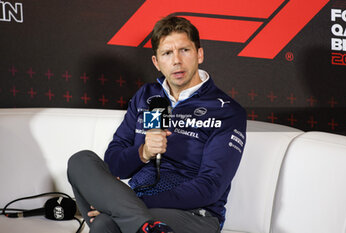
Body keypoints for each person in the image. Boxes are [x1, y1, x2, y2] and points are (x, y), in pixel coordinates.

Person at [67, 15, 246, 233]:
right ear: (157, 62)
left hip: (194, 214)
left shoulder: (227, 110)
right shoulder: (146, 96)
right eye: (167, 53)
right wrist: (143, 152)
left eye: (185, 50)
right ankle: (146, 226)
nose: (177, 61)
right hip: (138, 205)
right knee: (80, 161)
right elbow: (114, 164)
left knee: (106, 223)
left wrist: (125, 205)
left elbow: (211, 187)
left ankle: (138, 221)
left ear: (199, 54)